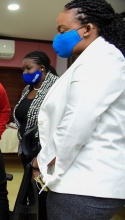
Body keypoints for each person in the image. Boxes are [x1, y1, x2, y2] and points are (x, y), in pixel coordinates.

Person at [30, 0, 125, 219]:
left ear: (88, 29)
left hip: (87, 183)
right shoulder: (93, 59)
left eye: (63, 30)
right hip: (83, 180)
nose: (58, 37)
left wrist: (41, 160)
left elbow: (75, 123)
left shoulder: (103, 59)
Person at [13, 50, 59, 220]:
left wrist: (42, 156)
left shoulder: (56, 87)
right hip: (26, 149)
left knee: (43, 195)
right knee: (30, 194)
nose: (24, 73)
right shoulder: (28, 88)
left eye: (28, 69)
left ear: (42, 67)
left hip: (44, 153)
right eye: (23, 70)